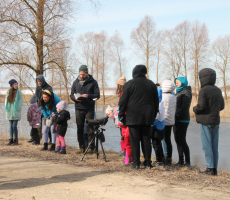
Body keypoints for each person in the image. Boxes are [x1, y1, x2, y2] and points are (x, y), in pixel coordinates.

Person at [119, 65, 159, 170]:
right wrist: (153, 115)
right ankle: (147, 162)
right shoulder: (151, 84)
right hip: (147, 116)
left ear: (134, 73)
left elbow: (123, 101)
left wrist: (121, 115)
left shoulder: (129, 84)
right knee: (146, 139)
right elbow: (156, 102)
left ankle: (136, 163)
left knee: (134, 140)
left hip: (133, 116)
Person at [193, 68, 225, 176]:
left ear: (202, 78)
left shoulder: (204, 90)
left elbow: (201, 106)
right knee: (214, 146)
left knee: (207, 145)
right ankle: (214, 168)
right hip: (216, 121)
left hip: (205, 121)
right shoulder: (218, 90)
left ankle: (210, 168)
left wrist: (195, 109)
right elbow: (222, 106)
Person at [70, 65, 100, 153]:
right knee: (79, 127)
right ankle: (82, 147)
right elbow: (71, 95)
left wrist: (88, 96)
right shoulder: (75, 82)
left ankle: (91, 148)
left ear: (87, 73)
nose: (81, 76)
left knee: (90, 127)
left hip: (89, 108)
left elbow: (97, 95)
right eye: (80, 74)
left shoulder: (93, 82)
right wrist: (74, 98)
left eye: (83, 74)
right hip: (78, 108)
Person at [27, 75, 53, 143]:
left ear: (43, 81)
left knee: (48, 123)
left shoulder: (48, 88)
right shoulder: (38, 88)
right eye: (38, 81)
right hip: (38, 108)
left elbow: (50, 98)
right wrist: (32, 100)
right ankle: (34, 138)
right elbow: (36, 96)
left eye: (40, 81)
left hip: (46, 108)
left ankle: (50, 140)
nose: (39, 82)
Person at [174, 77, 192, 166]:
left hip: (183, 119)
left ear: (183, 83)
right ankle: (180, 160)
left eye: (178, 82)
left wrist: (176, 114)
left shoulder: (186, 92)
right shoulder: (178, 92)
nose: (176, 84)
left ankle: (187, 161)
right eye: (176, 82)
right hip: (176, 119)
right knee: (177, 140)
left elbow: (185, 107)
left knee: (182, 140)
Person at [161, 79, 177, 165]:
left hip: (163, 120)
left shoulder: (163, 96)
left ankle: (165, 156)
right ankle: (169, 157)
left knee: (163, 139)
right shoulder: (173, 96)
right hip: (171, 120)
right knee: (168, 139)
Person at [5, 79, 23, 145]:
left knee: (14, 126)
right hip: (9, 112)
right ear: (12, 85)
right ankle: (11, 139)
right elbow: (6, 102)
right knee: (10, 126)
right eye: (15, 84)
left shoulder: (19, 93)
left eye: (16, 84)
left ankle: (16, 140)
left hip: (16, 112)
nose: (16, 85)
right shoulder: (8, 92)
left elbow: (20, 103)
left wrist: (16, 109)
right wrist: (8, 109)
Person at [151, 88, 165, 167]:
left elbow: (155, 118)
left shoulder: (157, 105)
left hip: (157, 128)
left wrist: (151, 127)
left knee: (156, 144)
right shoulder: (161, 103)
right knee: (158, 144)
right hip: (161, 127)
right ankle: (161, 158)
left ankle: (159, 161)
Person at [116, 75, 126, 157]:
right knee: (123, 134)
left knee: (124, 134)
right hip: (123, 116)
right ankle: (124, 150)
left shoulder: (123, 94)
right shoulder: (124, 93)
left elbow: (122, 106)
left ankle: (125, 151)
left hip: (124, 117)